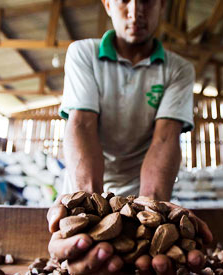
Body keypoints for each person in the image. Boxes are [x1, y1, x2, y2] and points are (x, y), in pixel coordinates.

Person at [48, 0, 213, 273]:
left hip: (144, 189)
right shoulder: (83, 53)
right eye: (124, 0)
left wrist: (152, 214)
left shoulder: (178, 69)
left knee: (149, 264)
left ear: (162, 5)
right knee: (86, 258)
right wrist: (91, 212)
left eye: (147, 1)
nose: (135, 12)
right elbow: (82, 126)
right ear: (107, 4)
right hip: (85, 184)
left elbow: (164, 140)